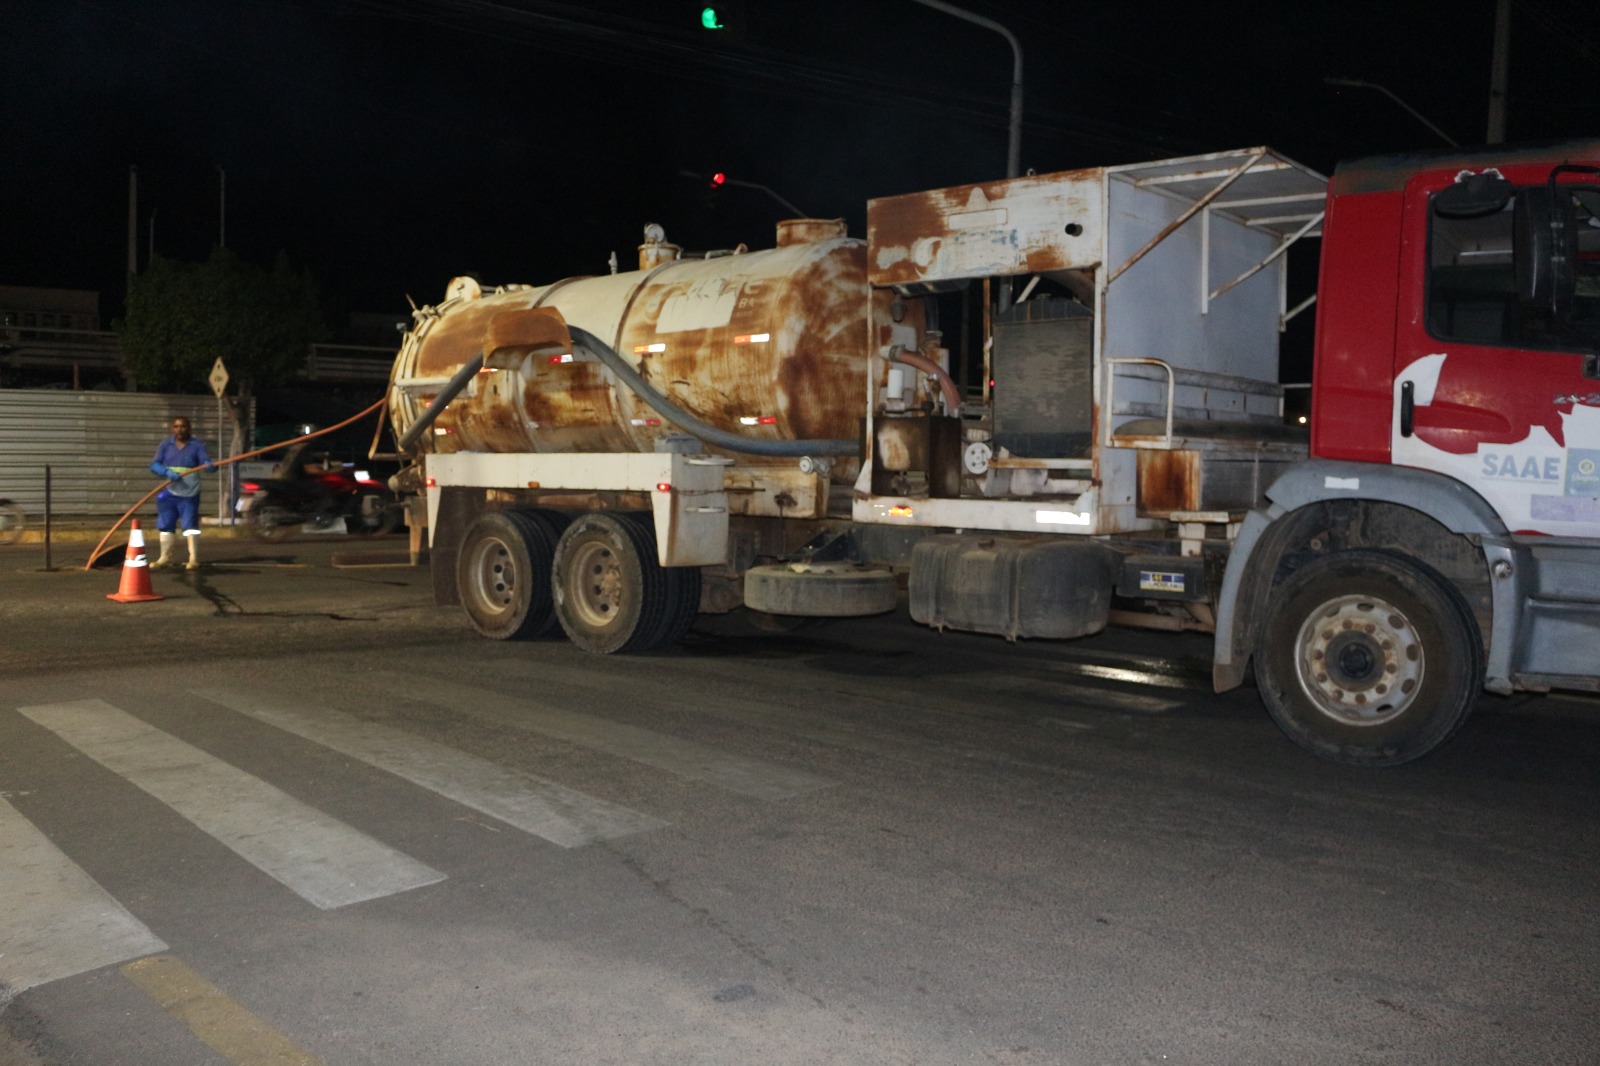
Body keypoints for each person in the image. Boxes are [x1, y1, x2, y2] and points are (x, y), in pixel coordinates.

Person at [149, 417, 214, 570]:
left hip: (190, 492)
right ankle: (165, 557)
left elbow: (205, 462)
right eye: (176, 426)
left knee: (190, 525)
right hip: (169, 491)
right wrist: (165, 471)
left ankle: (193, 558)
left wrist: (209, 466)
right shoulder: (166, 445)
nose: (179, 430)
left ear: (189, 428)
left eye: (183, 426)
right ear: (173, 428)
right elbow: (155, 464)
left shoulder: (196, 446)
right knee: (166, 525)